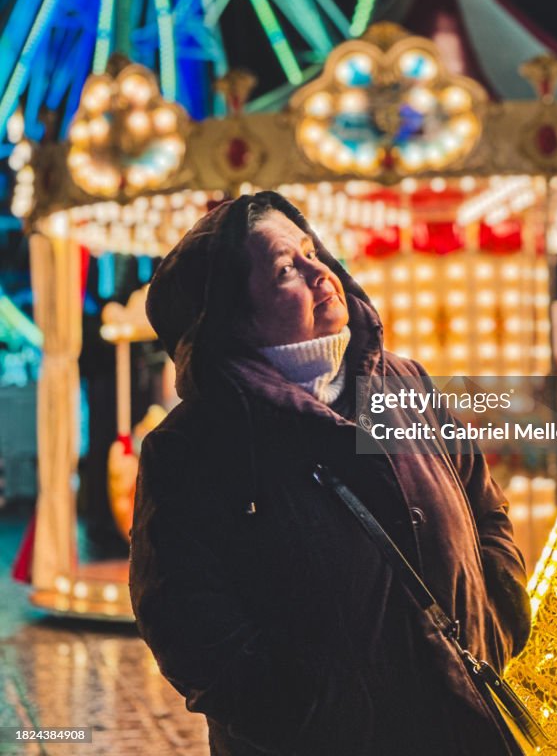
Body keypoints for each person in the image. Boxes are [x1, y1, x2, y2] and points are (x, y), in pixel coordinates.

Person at [129, 191, 532, 756]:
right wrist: (304, 718)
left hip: (462, 723)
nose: (320, 272)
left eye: (312, 252)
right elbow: (185, 619)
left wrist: (499, 618)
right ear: (229, 315)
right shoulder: (194, 447)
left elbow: (484, 507)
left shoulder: (406, 385)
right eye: (286, 268)